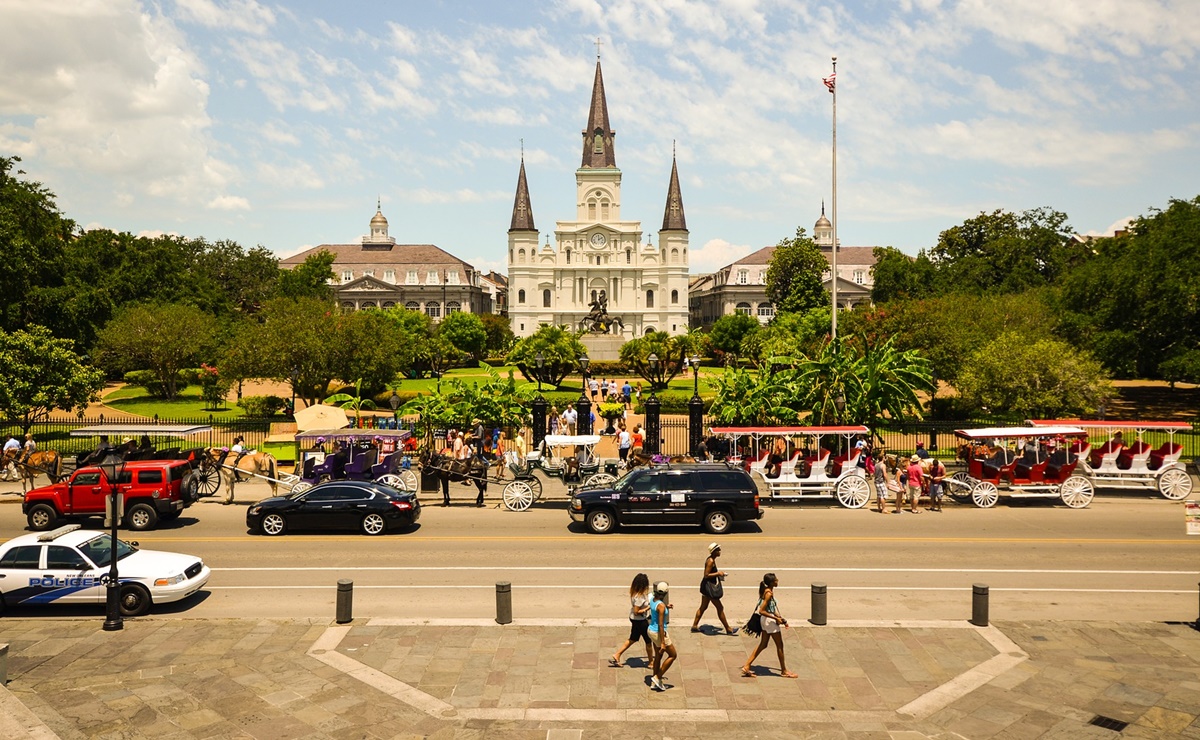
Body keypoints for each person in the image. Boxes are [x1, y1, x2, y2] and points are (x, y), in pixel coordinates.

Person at [741, 573, 797, 678]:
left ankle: (747, 666)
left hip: (765, 621)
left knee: (763, 644)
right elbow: (761, 610)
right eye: (776, 580)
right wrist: (776, 618)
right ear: (771, 582)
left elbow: (770, 608)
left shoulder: (767, 591)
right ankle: (784, 670)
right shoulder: (769, 593)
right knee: (780, 646)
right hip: (769, 622)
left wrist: (780, 617)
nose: (777, 581)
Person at [609, 573, 654, 668]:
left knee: (633, 639)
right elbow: (637, 611)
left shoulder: (634, 593)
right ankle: (651, 662)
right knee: (648, 641)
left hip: (634, 619)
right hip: (640, 620)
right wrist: (648, 608)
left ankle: (617, 654)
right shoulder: (640, 597)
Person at [691, 543, 737, 635]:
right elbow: (706, 575)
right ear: (714, 551)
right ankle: (728, 629)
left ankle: (694, 626)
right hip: (709, 589)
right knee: (720, 607)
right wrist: (718, 573)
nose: (720, 551)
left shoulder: (712, 560)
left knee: (703, 607)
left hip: (706, 588)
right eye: (718, 550)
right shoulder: (710, 561)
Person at [647, 582, 676, 691]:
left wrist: (666, 607)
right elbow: (660, 625)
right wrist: (663, 642)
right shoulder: (661, 606)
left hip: (651, 631)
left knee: (658, 656)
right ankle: (657, 677)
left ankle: (654, 682)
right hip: (658, 633)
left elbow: (656, 609)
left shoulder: (653, 599)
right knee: (673, 655)